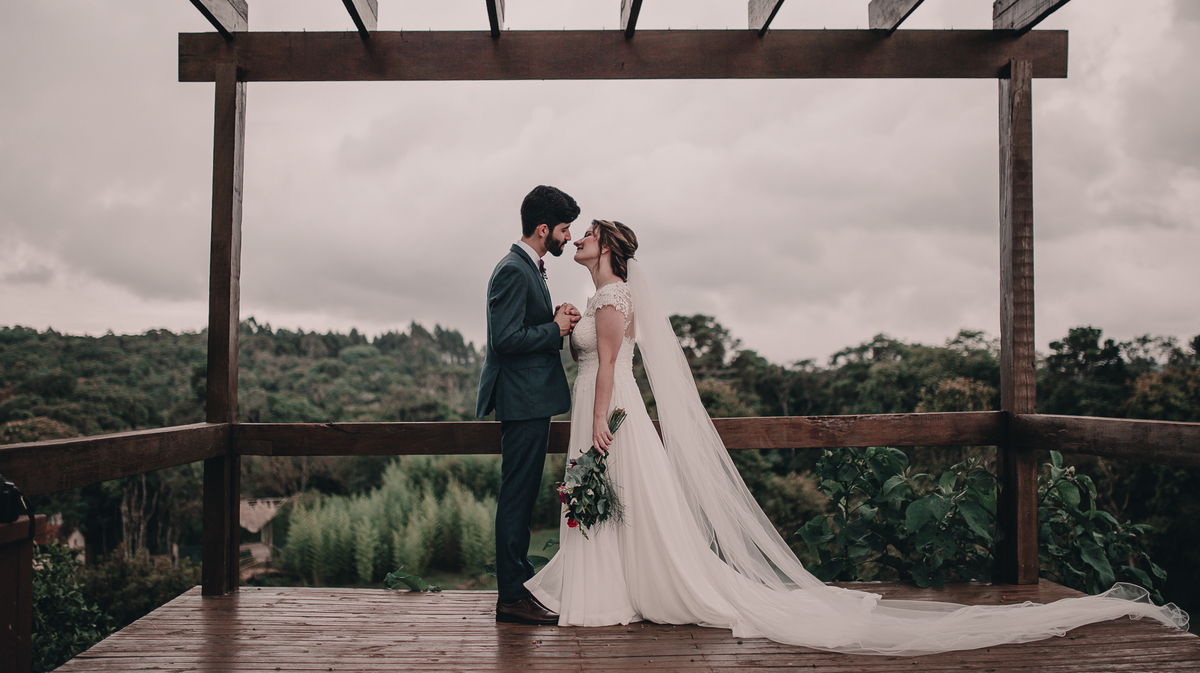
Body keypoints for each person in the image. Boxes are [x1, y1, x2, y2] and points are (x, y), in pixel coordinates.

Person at [524, 218, 1189, 655]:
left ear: (607, 248)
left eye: (585, 235)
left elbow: (608, 367)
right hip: (598, 409)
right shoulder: (600, 301)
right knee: (619, 507)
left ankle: (620, 590)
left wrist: (597, 428)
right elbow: (594, 355)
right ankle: (616, 585)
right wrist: (566, 324)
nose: (576, 239)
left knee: (615, 499)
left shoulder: (613, 301)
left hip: (606, 414)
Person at [477, 185, 580, 625]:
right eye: (562, 228)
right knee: (516, 498)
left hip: (529, 400)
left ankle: (518, 587)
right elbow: (505, 340)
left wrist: (551, 316)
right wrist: (555, 329)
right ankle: (512, 596)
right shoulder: (513, 270)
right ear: (543, 229)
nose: (568, 236)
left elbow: (520, 325)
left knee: (520, 495)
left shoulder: (527, 268)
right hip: (522, 401)